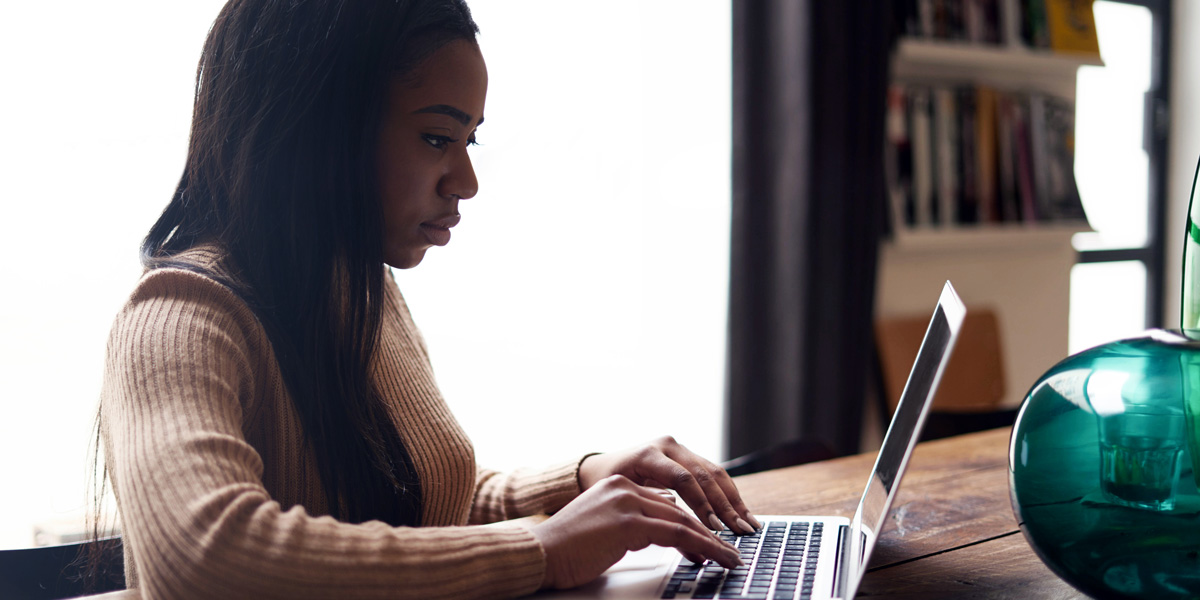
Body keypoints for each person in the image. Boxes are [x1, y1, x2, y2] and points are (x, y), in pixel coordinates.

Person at [97, 1, 758, 598]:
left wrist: (585, 478)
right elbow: (204, 557)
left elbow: (417, 509)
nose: (466, 182)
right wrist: (542, 550)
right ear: (318, 130)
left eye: (469, 140)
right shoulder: (178, 316)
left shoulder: (360, 287)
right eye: (438, 138)